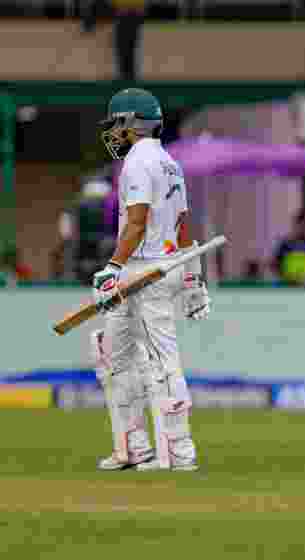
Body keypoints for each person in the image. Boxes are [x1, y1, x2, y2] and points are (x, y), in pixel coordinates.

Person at [92, 88, 209, 471]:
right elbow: (183, 225)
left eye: (116, 124)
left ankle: (179, 450)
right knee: (112, 354)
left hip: (146, 270)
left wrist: (113, 267)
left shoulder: (139, 162)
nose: (113, 133)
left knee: (160, 360)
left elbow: (138, 223)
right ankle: (134, 447)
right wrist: (193, 281)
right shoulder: (170, 162)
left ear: (131, 122)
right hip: (159, 265)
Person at [273, 210, 305, 287]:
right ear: (295, 226)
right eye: (299, 225)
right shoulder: (286, 244)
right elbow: (275, 264)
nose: (302, 229)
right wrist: (286, 277)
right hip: (289, 285)